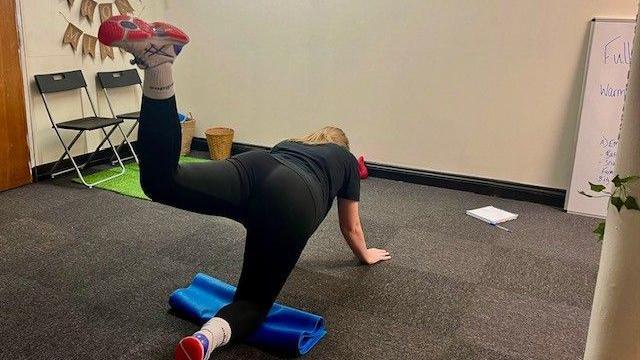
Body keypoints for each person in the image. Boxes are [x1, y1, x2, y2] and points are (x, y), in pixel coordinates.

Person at [98, 15, 391, 360]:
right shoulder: (344, 160)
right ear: (342, 144)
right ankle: (205, 339)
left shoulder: (291, 142)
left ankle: (159, 65)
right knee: (252, 303)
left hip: (257, 166)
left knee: (162, 182)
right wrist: (366, 254)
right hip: (294, 201)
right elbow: (350, 226)